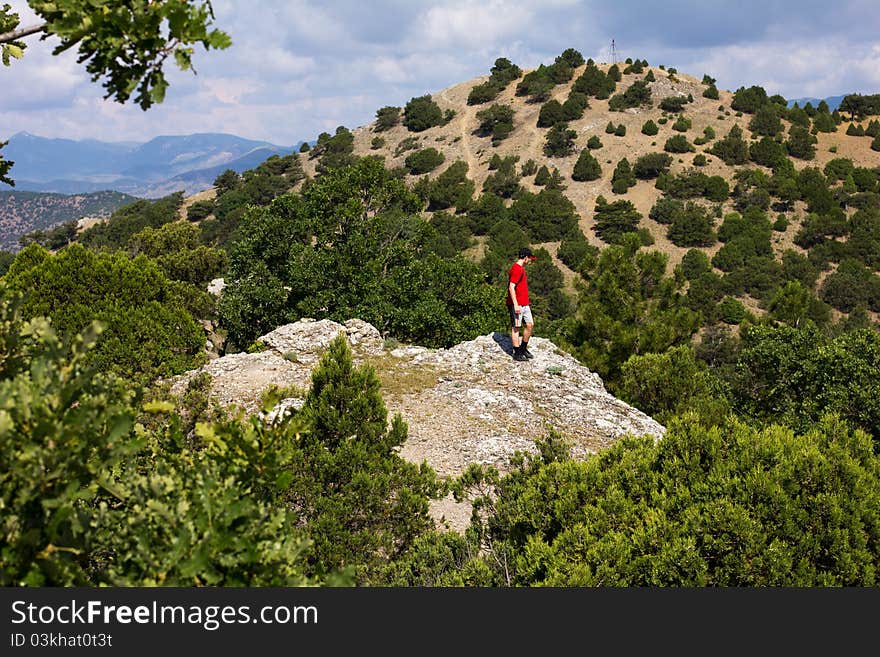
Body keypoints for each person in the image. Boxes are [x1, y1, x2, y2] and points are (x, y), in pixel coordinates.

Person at [507, 246, 536, 362]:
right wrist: (516, 304)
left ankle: (523, 348)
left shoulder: (520, 269)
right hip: (517, 304)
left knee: (530, 324)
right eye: (529, 259)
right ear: (525, 258)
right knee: (516, 327)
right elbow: (511, 287)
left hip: (524, 303)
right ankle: (517, 353)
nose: (530, 261)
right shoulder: (517, 269)